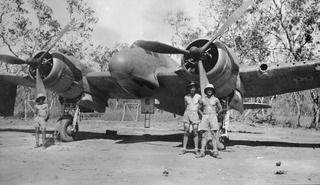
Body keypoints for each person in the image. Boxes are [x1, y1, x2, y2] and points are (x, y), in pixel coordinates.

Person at [197, 84, 222, 158]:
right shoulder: (202, 99)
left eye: (211, 89)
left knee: (214, 135)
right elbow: (198, 108)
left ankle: (215, 152)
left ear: (213, 91)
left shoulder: (216, 99)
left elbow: (220, 108)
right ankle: (202, 152)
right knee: (204, 135)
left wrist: (217, 114)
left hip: (213, 116)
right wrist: (202, 115)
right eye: (208, 89)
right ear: (206, 91)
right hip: (205, 116)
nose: (209, 91)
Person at [180, 82, 201, 155]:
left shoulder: (198, 96)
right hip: (187, 114)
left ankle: (196, 149)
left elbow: (200, 107)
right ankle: (184, 149)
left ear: (195, 89)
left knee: (195, 131)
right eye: (191, 88)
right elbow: (185, 106)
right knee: (186, 131)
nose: (192, 89)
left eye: (194, 88)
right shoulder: (186, 97)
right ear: (189, 89)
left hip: (195, 114)